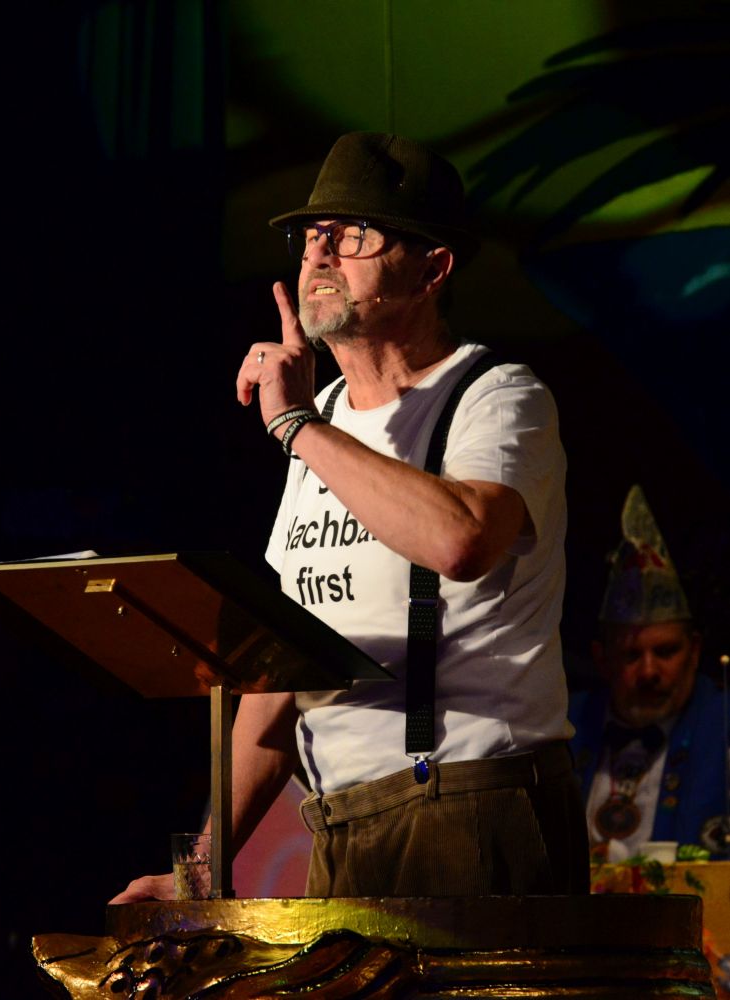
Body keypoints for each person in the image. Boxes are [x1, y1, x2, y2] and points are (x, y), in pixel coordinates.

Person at [111, 131, 589, 903]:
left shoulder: (495, 396)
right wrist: (199, 869)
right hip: (340, 823)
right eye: (311, 236)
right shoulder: (322, 417)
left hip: (471, 807)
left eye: (355, 234)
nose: (320, 254)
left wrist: (296, 425)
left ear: (432, 268)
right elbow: (280, 674)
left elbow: (461, 540)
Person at [569, 484, 729, 862]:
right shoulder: (564, 724)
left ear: (694, 650)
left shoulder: (723, 723)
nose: (649, 670)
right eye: (630, 655)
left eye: (666, 651)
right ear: (602, 659)